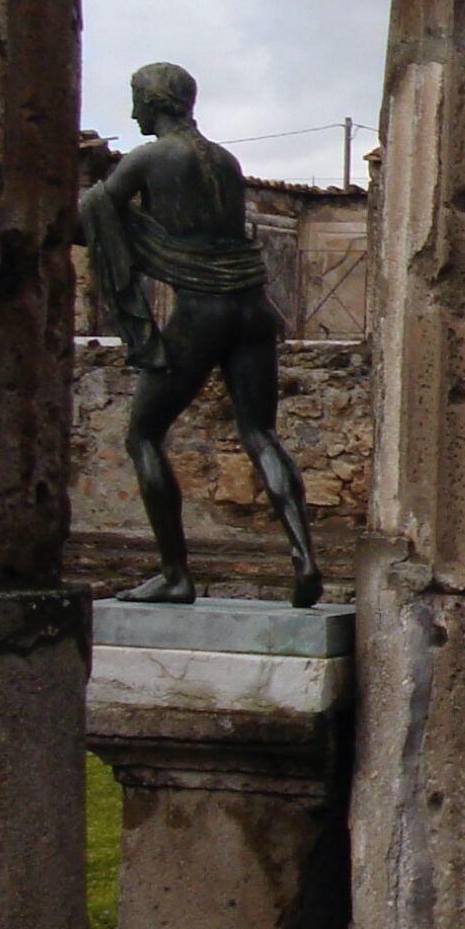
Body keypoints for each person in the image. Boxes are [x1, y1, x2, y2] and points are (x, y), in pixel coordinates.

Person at [78, 62, 324, 607]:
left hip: (202, 311)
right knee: (260, 434)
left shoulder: (149, 158)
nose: (132, 111)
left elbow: (89, 221)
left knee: (143, 434)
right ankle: (305, 555)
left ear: (157, 101)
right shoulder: (225, 159)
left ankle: (174, 574)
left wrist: (77, 196)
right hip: (253, 310)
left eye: (136, 100)